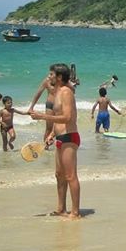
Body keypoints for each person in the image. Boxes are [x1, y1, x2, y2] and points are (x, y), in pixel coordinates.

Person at [29, 64, 81, 219]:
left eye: (51, 74)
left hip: (69, 137)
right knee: (59, 175)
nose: (49, 76)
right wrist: (52, 133)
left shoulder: (66, 92)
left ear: (59, 77)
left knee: (71, 176)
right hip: (60, 137)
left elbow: (67, 117)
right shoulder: (58, 91)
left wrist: (42, 116)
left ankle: (75, 212)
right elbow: (59, 117)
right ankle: (61, 209)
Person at [28, 65, 58, 147]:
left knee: (59, 128)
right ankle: (46, 147)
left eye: (51, 74)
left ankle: (58, 146)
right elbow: (38, 93)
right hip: (50, 105)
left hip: (60, 107)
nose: (49, 76)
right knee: (49, 128)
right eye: (49, 74)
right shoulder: (47, 81)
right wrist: (31, 107)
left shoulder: (62, 82)